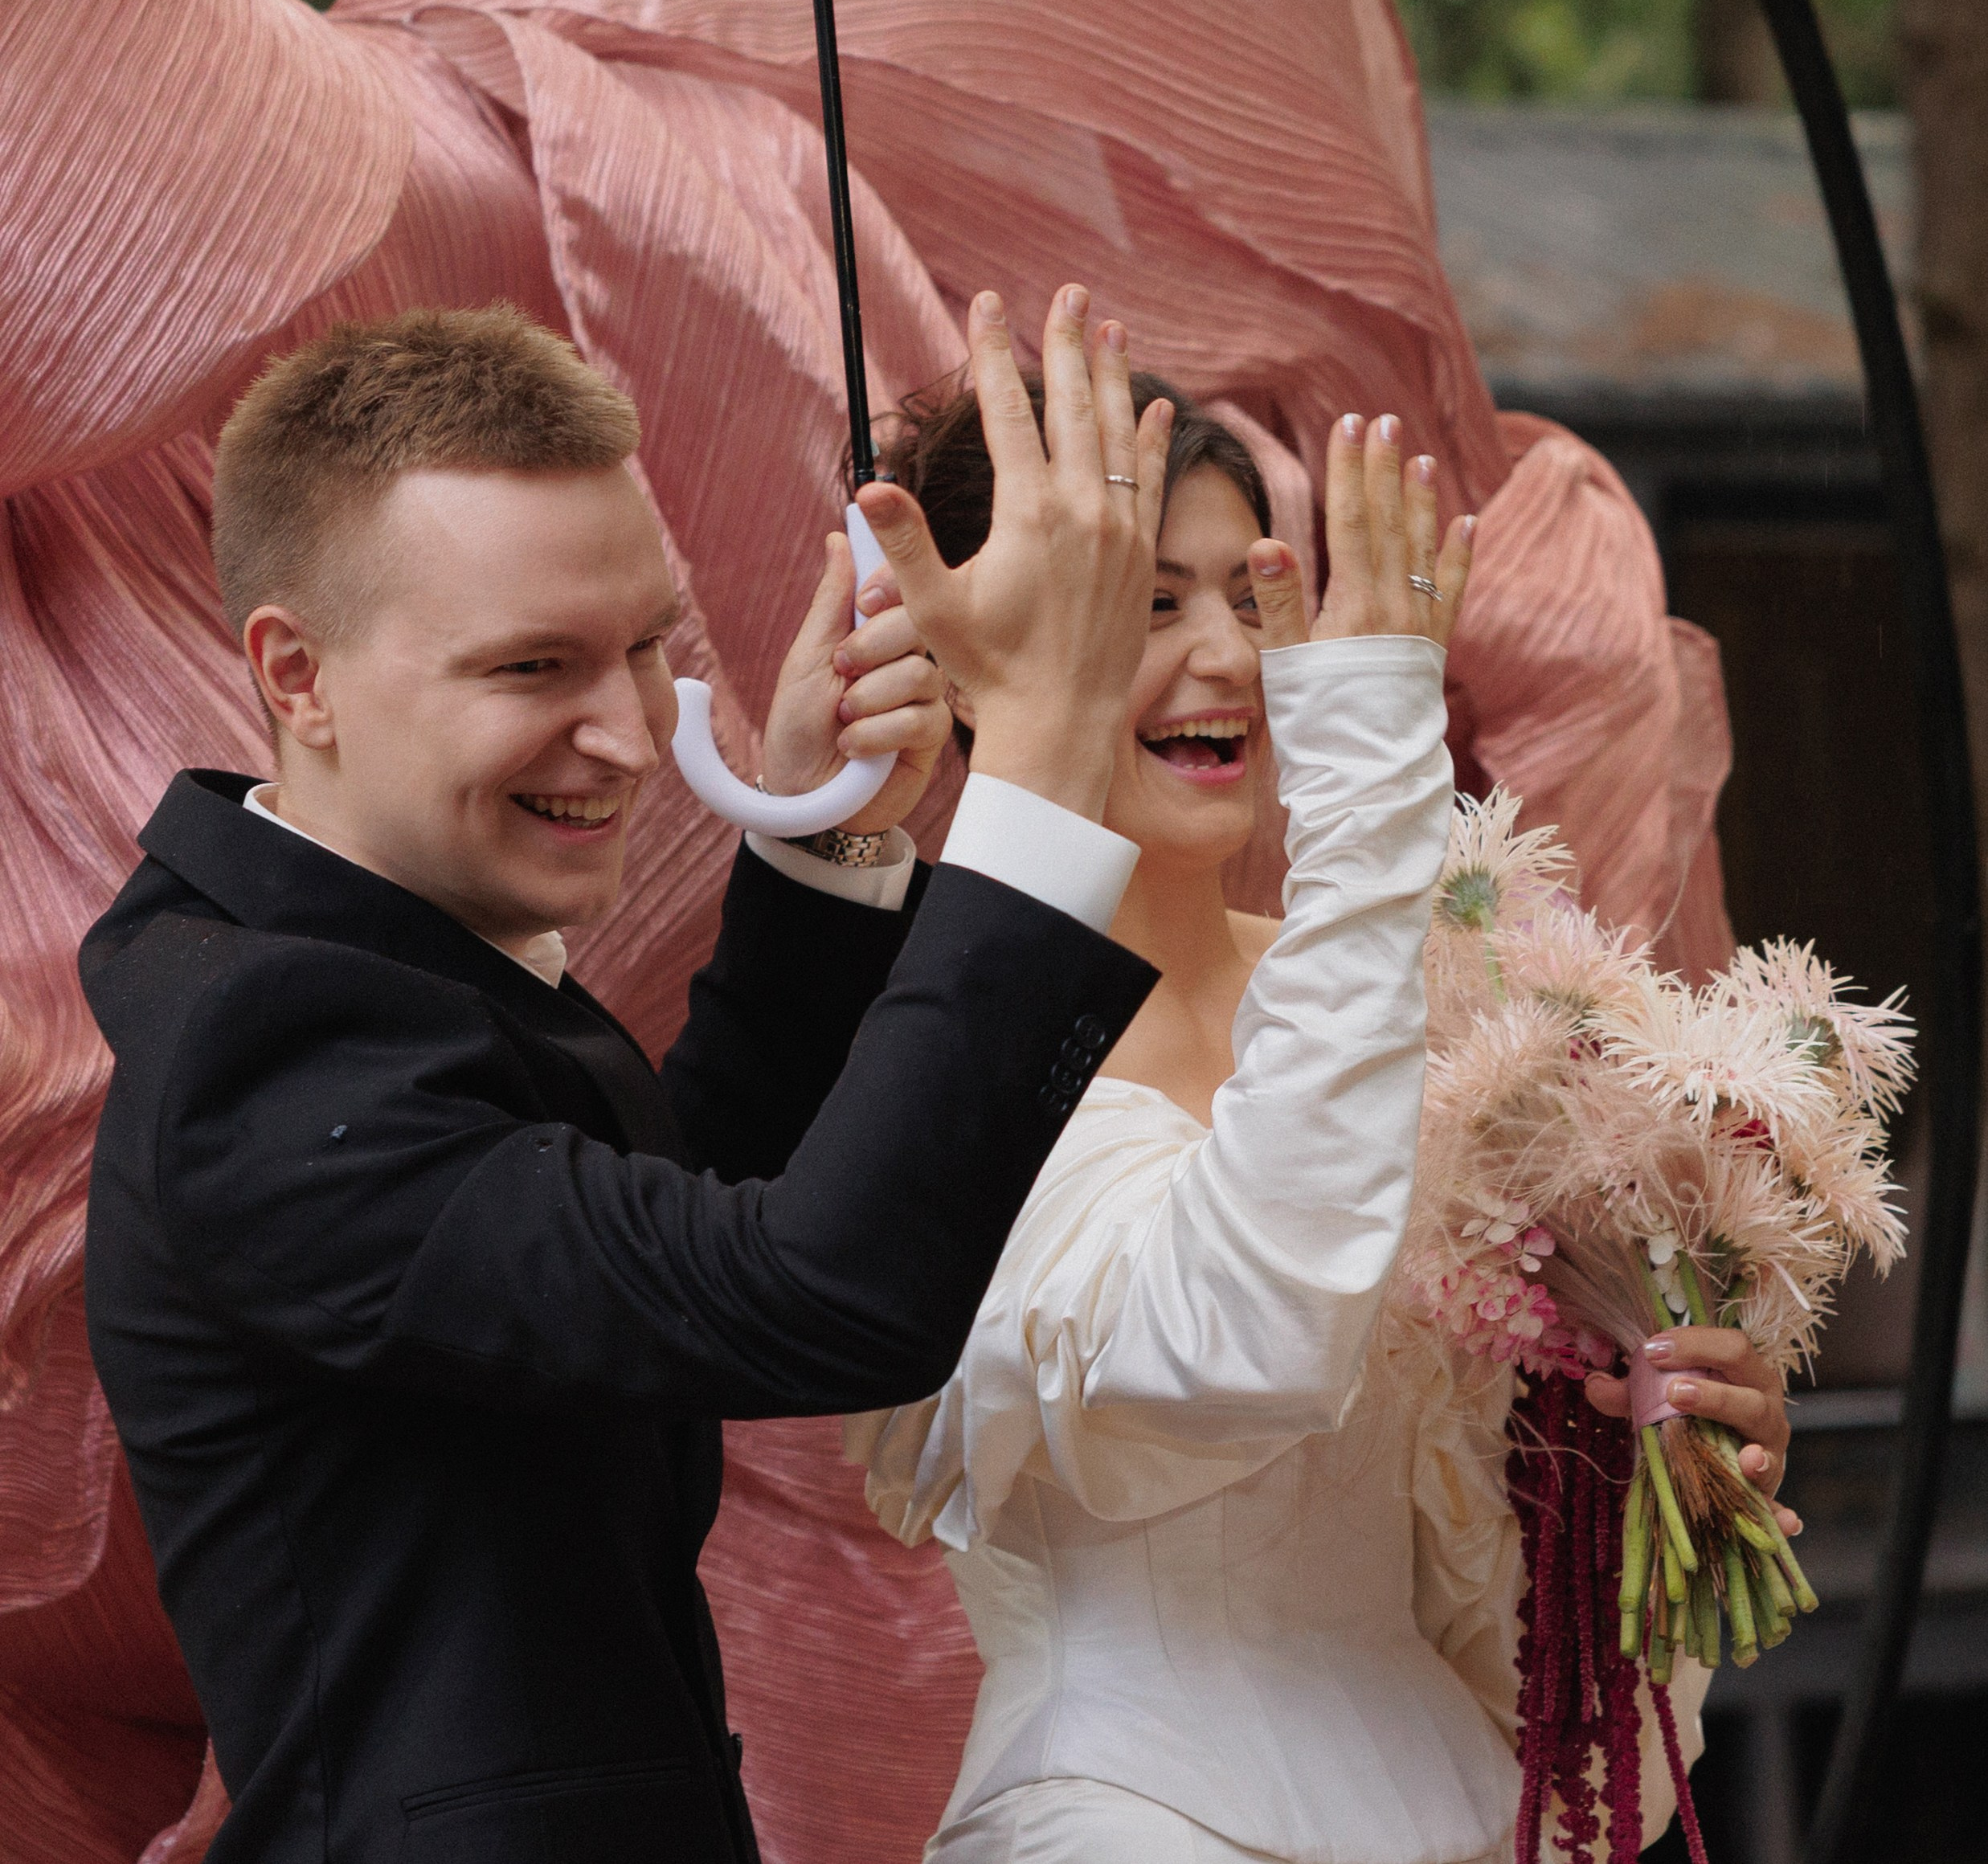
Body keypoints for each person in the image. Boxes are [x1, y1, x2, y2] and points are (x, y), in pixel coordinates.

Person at [80, 284, 1176, 1864]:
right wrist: (1052, 767)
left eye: (644, 646)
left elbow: (672, 1227)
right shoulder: (267, 1054)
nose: (624, 731)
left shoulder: (377, 966)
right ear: (295, 674)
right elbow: (819, 1291)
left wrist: (834, 833)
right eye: (533, 668)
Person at [855, 377, 1795, 1864]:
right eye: (1150, 602)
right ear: (976, 662)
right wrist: (1370, 791)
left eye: (1246, 591)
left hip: (1467, 1800)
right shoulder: (926, 1054)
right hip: (1123, 1816)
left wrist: (1663, 1451)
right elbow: (1239, 1344)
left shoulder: (1413, 993)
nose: (1226, 651)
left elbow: (1477, 1552)